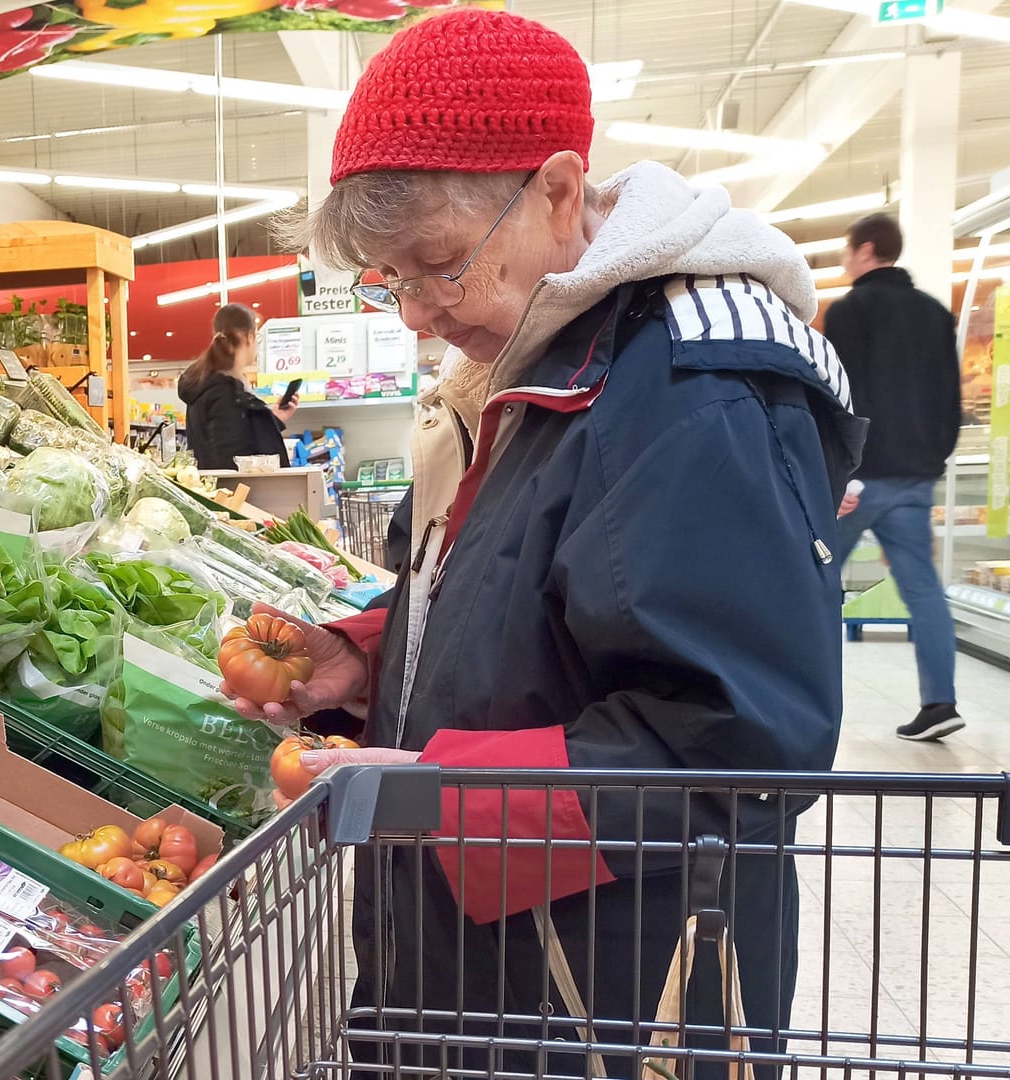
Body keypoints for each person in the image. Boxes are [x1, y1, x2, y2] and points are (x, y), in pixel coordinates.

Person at [230, 8, 863, 1078]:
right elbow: (530, 602)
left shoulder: (686, 393)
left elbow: (737, 737)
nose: (419, 315)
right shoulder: (530, 364)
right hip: (494, 972)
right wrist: (371, 657)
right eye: (391, 283)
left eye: (439, 265)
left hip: (612, 998)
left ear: (560, 191)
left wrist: (440, 792)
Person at [823, 213, 963, 741]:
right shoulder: (933, 313)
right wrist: (934, 459)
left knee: (812, 578)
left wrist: (840, 469)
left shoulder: (849, 311)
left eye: (847, 249)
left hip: (859, 481)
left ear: (864, 251)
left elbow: (839, 394)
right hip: (915, 477)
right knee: (923, 590)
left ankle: (806, 699)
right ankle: (940, 702)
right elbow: (949, 397)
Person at [176, 303, 298, 470]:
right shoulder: (225, 393)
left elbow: (234, 438)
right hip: (234, 494)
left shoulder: (205, 386)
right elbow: (232, 462)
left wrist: (273, 419)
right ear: (249, 337)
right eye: (258, 337)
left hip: (211, 491)